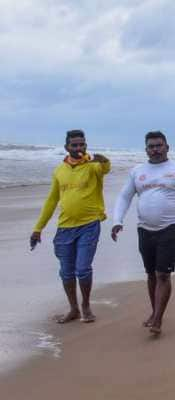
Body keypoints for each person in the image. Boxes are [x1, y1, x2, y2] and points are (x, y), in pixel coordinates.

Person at [111, 131, 175, 335]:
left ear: (167, 147)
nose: (155, 149)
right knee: (151, 274)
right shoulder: (137, 171)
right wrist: (117, 221)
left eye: (159, 145)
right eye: (151, 146)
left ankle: (158, 319)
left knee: (163, 273)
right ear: (146, 149)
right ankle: (154, 312)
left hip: (171, 227)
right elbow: (124, 197)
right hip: (145, 229)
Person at [30, 130, 111, 324]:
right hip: (65, 228)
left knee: (82, 269)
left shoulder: (93, 167)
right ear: (67, 147)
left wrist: (103, 159)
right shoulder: (59, 171)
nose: (78, 148)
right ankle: (73, 308)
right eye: (74, 145)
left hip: (89, 225)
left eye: (82, 144)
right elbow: (51, 200)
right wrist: (38, 228)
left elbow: (106, 168)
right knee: (66, 272)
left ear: (85, 145)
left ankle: (86, 306)